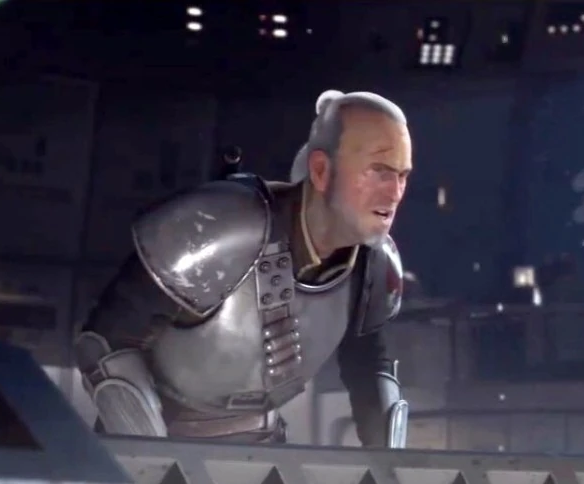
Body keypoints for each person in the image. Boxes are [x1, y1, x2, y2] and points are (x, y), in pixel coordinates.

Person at [74, 89, 413, 447]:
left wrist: (389, 469)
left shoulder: (372, 263)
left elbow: (370, 367)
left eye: (403, 175)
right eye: (379, 171)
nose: (394, 193)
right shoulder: (223, 226)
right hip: (160, 443)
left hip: (264, 450)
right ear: (320, 170)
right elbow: (105, 343)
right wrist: (152, 458)